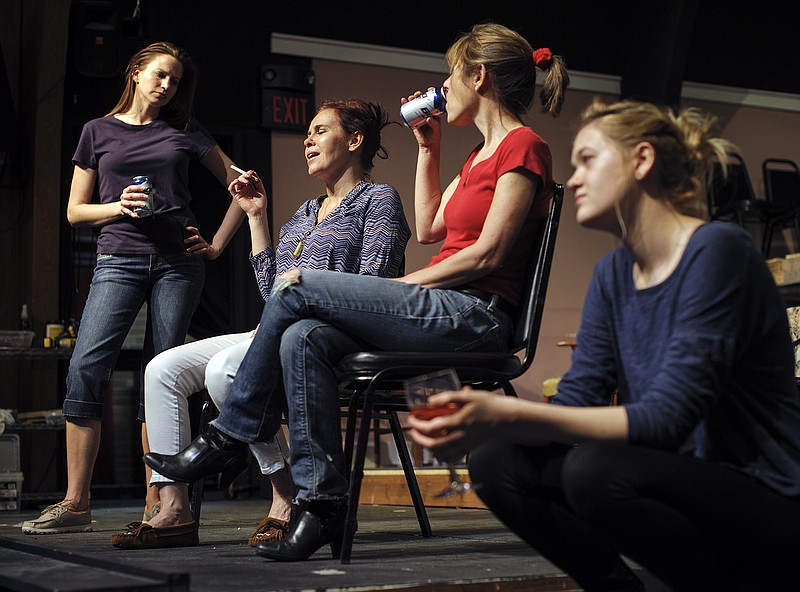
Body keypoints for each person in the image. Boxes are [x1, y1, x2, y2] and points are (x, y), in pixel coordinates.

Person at [143, 22, 570, 561]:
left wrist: (405, 284)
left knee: (296, 289)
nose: (446, 87)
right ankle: (321, 506)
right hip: (441, 309)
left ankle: (229, 434)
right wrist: (428, 149)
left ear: (478, 77)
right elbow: (431, 229)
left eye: (451, 75)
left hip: (476, 317)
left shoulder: (523, 147)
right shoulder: (478, 156)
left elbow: (488, 254)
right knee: (303, 336)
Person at [406, 99, 800, 591]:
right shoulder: (614, 273)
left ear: (641, 160)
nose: (572, 180)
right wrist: (482, 428)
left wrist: (505, 412)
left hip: (768, 496)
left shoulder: (718, 250)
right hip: (678, 476)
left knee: (594, 470)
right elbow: (579, 399)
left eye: (588, 159)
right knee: (496, 461)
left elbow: (665, 419)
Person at [109, 99, 410, 549]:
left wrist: (305, 294)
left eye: (320, 131)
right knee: (161, 369)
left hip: (331, 336)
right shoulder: (307, 213)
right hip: (274, 328)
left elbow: (375, 284)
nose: (307, 140)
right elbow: (272, 292)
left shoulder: (378, 199)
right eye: (307, 133)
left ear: (354, 140)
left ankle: (284, 497)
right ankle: (173, 509)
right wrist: (255, 217)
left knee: (224, 370)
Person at [22, 42, 247, 534]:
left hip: (178, 264)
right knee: (86, 368)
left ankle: (159, 502)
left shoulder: (184, 130)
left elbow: (242, 185)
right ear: (137, 72)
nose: (167, 86)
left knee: (161, 373)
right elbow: (75, 211)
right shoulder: (97, 131)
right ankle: (76, 503)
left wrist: (215, 244)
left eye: (176, 80)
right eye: (161, 75)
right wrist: (117, 206)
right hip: (117, 259)